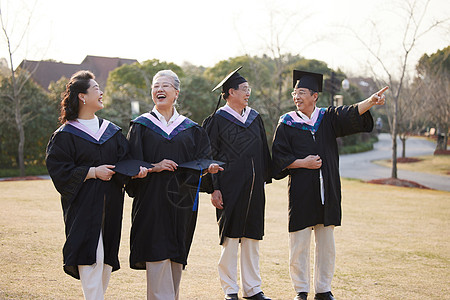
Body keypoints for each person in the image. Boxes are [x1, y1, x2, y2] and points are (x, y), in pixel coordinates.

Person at [272, 70, 387, 300]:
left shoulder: (327, 118)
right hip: (302, 193)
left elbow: (350, 112)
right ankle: (301, 290)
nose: (297, 96)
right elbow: (278, 159)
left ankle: (323, 289)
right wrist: (302, 163)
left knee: (326, 246)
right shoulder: (287, 123)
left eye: (302, 92)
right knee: (299, 245)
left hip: (327, 192)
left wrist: (370, 101)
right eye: (295, 92)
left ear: (315, 96)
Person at [45, 70, 148, 300]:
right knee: (90, 259)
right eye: (96, 89)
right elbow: (59, 170)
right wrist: (92, 172)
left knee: (105, 263)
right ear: (82, 96)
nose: (101, 93)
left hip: (110, 206)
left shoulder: (110, 131)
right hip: (84, 209)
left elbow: (124, 163)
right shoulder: (65, 134)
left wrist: (135, 173)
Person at [126, 70, 222, 300]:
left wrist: (207, 170)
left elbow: (202, 161)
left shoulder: (191, 129)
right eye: (156, 86)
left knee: (176, 259)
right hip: (151, 201)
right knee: (157, 254)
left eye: (166, 85)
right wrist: (153, 167)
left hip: (181, 202)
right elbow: (130, 164)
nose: (160, 89)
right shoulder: (141, 126)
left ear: (176, 93)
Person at [202, 67, 272, 300]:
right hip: (229, 188)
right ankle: (230, 289)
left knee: (252, 238)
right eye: (244, 89)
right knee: (230, 239)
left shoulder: (254, 118)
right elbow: (209, 155)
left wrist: (263, 178)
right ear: (230, 92)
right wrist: (214, 188)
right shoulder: (217, 120)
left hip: (253, 188)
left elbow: (263, 151)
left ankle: (253, 289)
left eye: (248, 89)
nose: (248, 93)